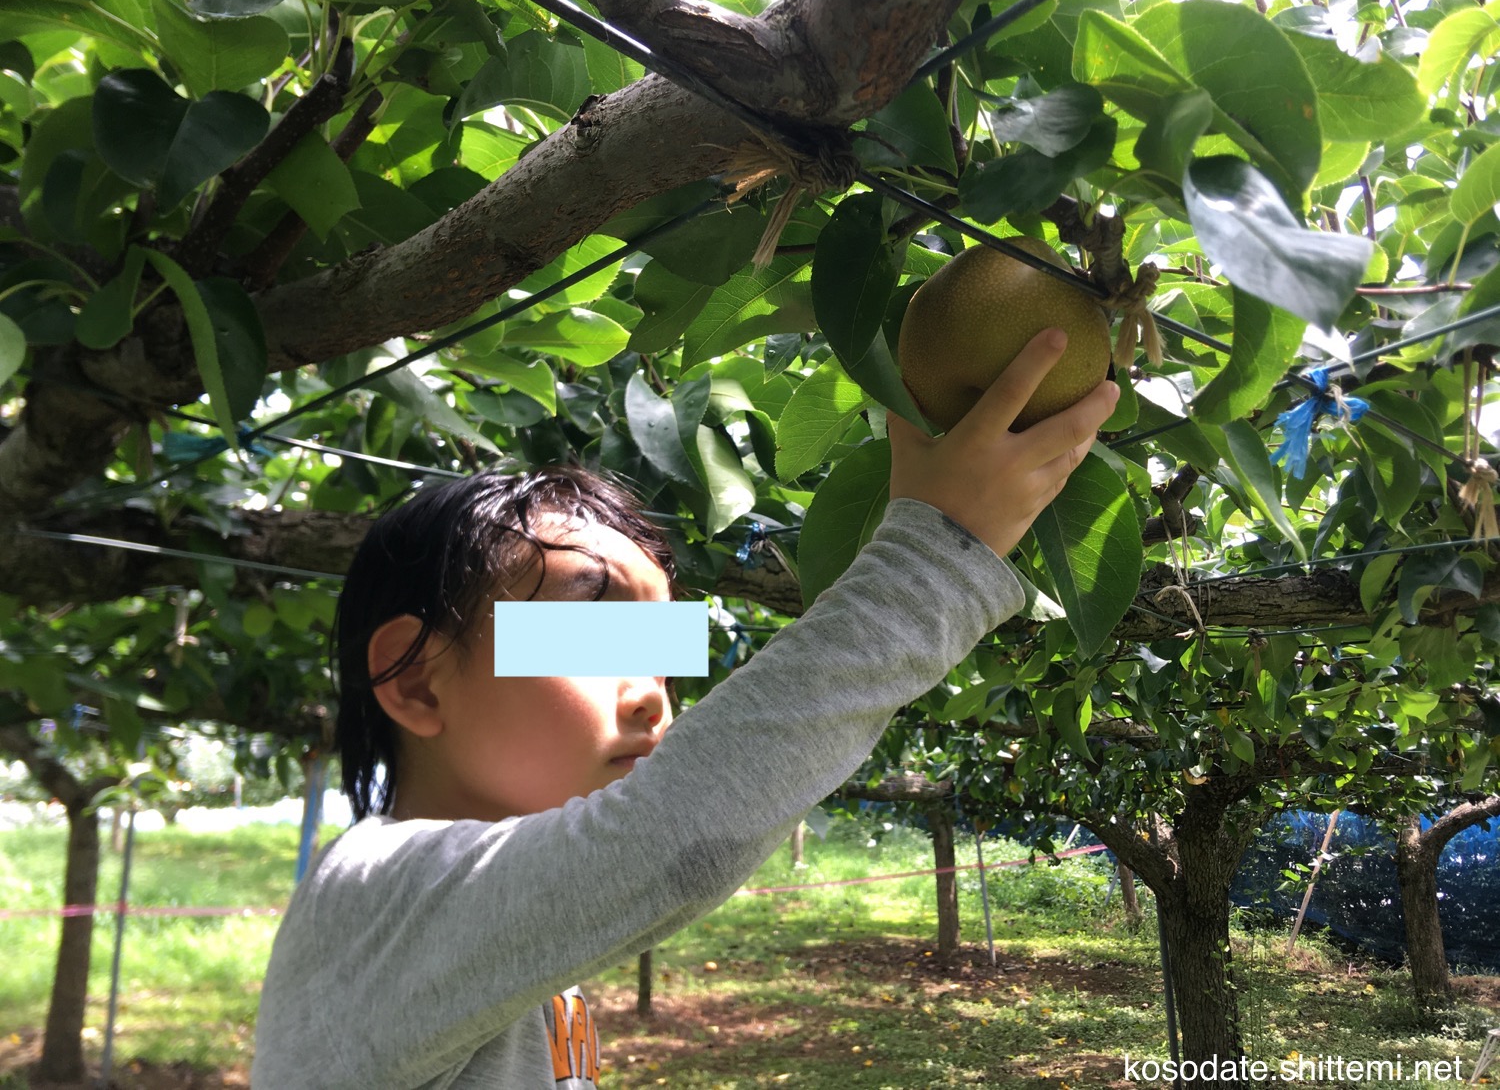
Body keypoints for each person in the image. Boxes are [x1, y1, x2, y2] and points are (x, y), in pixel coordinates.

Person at [249, 328, 1119, 1087]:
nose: (649, 696)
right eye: (589, 631)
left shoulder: (493, 937)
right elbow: (674, 830)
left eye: (665, 653)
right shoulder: (373, 894)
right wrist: (937, 551)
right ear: (417, 681)